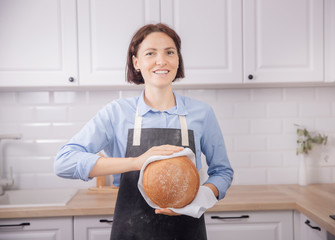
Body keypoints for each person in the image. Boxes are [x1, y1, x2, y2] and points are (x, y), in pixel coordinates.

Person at [54, 23, 233, 240]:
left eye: (170, 52)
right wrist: (137, 162)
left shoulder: (202, 113)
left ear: (178, 60)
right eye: (150, 53)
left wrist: (203, 196)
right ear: (136, 62)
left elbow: (223, 172)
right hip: (131, 231)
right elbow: (64, 161)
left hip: (187, 231)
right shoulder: (117, 113)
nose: (162, 60)